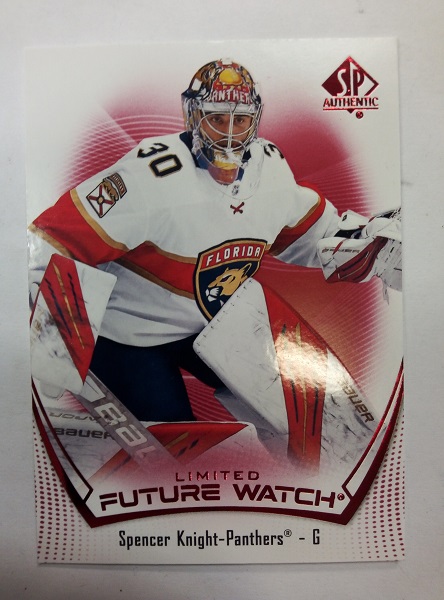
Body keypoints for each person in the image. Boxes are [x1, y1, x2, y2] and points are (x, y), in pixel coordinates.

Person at [28, 58, 400, 422]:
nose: (229, 133)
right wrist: (53, 340)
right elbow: (54, 237)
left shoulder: (270, 168)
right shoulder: (148, 175)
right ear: (194, 117)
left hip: (218, 324)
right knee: (179, 446)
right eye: (217, 118)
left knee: (318, 408)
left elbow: (309, 232)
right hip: (132, 334)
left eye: (240, 120)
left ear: (255, 119)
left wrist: (369, 245)